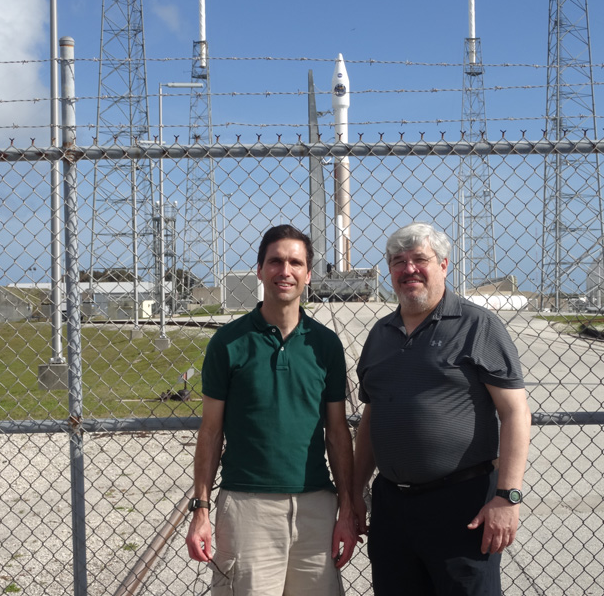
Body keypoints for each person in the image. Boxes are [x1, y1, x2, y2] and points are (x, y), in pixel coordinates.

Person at [352, 222, 531, 595]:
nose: (409, 269)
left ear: (444, 265)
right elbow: (372, 417)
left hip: (461, 506)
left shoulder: (478, 325)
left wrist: (507, 496)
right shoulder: (380, 335)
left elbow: (515, 412)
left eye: (420, 259)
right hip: (392, 507)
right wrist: (354, 491)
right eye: (398, 261)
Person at [185, 225, 357, 595]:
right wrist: (200, 509)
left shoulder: (325, 345)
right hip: (247, 507)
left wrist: (346, 509)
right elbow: (211, 430)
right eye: (275, 261)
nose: (285, 271)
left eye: (296, 262)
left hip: (315, 507)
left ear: (308, 274)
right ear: (260, 269)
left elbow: (337, 431)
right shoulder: (228, 343)